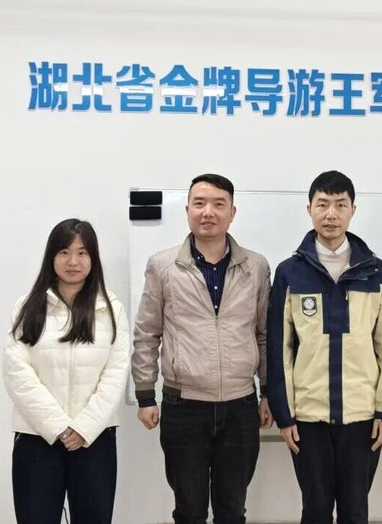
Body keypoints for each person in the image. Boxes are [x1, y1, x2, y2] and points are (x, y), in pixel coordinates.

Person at [132, 174, 272, 524]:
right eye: (199, 203)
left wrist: (267, 392)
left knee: (232, 511)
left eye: (218, 204)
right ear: (187, 211)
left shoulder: (255, 267)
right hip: (184, 406)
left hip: (240, 406)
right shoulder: (163, 265)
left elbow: (264, 334)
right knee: (189, 510)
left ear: (232, 212)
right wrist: (145, 395)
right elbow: (147, 333)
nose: (208, 212)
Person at [267, 170, 382, 524]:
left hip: (362, 417)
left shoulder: (375, 272)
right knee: (315, 509)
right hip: (308, 417)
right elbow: (280, 349)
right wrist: (284, 414)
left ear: (353, 210)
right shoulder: (290, 272)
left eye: (340, 205)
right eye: (323, 204)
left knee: (355, 510)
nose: (331, 214)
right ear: (309, 209)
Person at [3, 218, 130, 524]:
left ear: (93, 258)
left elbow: (116, 373)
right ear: (52, 256)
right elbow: (16, 371)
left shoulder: (111, 309)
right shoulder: (28, 307)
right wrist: (58, 426)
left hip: (95, 438)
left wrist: (84, 428)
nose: (73, 261)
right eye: (64, 252)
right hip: (37, 438)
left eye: (82, 253)